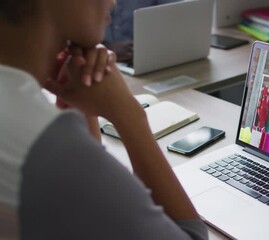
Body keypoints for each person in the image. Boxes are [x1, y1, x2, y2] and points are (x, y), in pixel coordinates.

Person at [0, 0, 207, 239]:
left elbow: (88, 209)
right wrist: (129, 114)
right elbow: (191, 235)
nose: (113, 1)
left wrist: (82, 109)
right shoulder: (46, 146)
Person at [104, 0, 180, 62]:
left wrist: (144, 48)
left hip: (148, 58)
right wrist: (107, 48)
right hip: (101, 58)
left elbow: (176, 19)